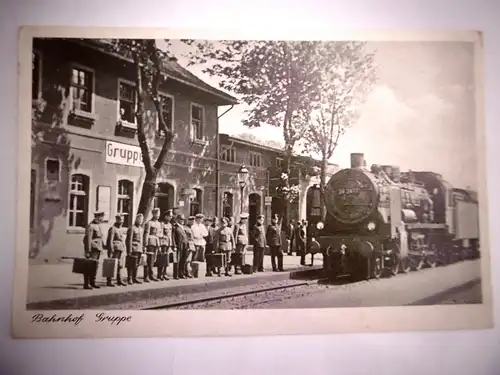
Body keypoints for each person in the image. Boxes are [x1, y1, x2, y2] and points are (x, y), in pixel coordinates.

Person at [82, 211, 105, 289]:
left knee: (95, 266)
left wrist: (103, 246)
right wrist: (88, 251)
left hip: (98, 248)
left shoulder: (98, 226)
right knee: (89, 266)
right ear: (97, 217)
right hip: (93, 249)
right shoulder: (90, 226)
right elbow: (88, 239)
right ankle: (86, 284)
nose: (102, 218)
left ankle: (92, 282)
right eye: (101, 217)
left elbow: (100, 238)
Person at [106, 214, 127, 287]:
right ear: (117, 220)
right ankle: (109, 280)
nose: (122, 222)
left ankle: (119, 280)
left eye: (123, 220)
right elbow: (110, 240)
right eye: (120, 220)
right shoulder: (113, 229)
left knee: (119, 265)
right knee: (111, 264)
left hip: (120, 249)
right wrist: (111, 250)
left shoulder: (121, 229)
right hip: (114, 249)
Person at [143, 207, 162, 282]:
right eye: (157, 214)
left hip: (156, 242)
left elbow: (159, 234)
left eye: (159, 214)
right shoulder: (149, 223)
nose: (158, 216)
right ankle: (146, 276)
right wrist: (145, 244)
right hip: (150, 242)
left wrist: (159, 244)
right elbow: (146, 234)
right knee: (148, 260)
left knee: (153, 260)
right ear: (153, 214)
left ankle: (151, 275)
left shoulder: (159, 223)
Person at [125, 214, 144, 284]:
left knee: (137, 264)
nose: (140, 221)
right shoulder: (132, 228)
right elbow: (129, 240)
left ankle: (134, 277)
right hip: (133, 247)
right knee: (131, 263)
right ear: (136, 219)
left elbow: (141, 239)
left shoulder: (141, 229)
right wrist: (129, 250)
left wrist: (142, 248)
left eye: (142, 220)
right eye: (139, 219)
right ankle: (129, 278)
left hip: (139, 248)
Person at [158, 210, 174, 281]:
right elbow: (159, 234)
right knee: (162, 258)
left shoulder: (170, 224)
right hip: (163, 243)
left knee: (166, 259)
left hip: (168, 243)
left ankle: (164, 273)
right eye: (169, 216)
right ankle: (160, 274)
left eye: (171, 216)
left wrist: (171, 244)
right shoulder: (161, 224)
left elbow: (170, 235)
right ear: (165, 216)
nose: (171, 217)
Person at [173, 214, 188, 279]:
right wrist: (174, 245)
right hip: (178, 245)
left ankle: (181, 273)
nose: (182, 221)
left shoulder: (183, 227)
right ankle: (176, 274)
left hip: (184, 245)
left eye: (183, 219)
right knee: (177, 260)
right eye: (181, 219)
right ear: (177, 219)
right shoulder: (175, 227)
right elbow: (173, 237)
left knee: (183, 260)